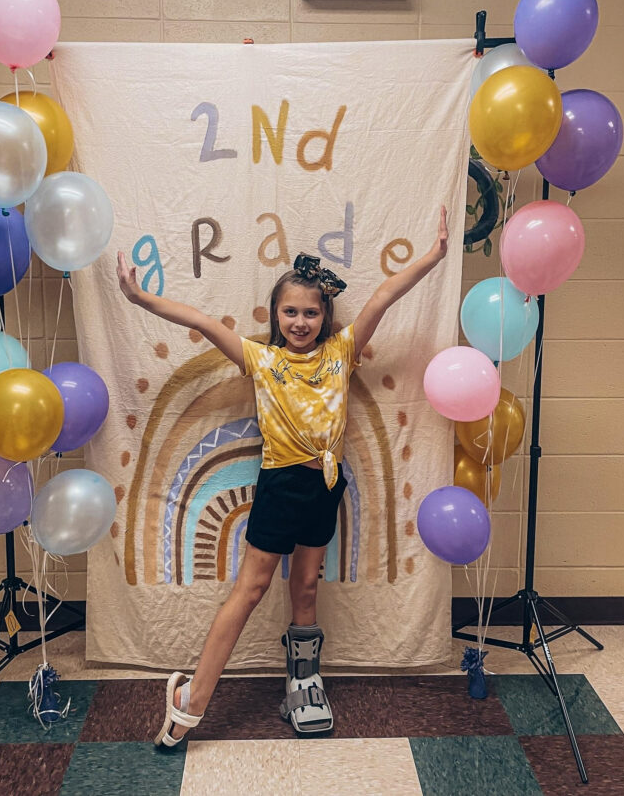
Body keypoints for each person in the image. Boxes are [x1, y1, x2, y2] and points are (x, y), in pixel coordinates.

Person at [116, 205, 448, 744]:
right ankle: (191, 699)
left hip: (325, 483)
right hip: (280, 484)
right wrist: (141, 298)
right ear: (276, 316)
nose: (300, 322)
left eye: (311, 313)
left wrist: (433, 257)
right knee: (250, 590)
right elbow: (201, 321)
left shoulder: (343, 351)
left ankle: (303, 682)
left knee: (308, 587)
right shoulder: (262, 360)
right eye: (290, 312)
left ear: (325, 317)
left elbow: (384, 295)